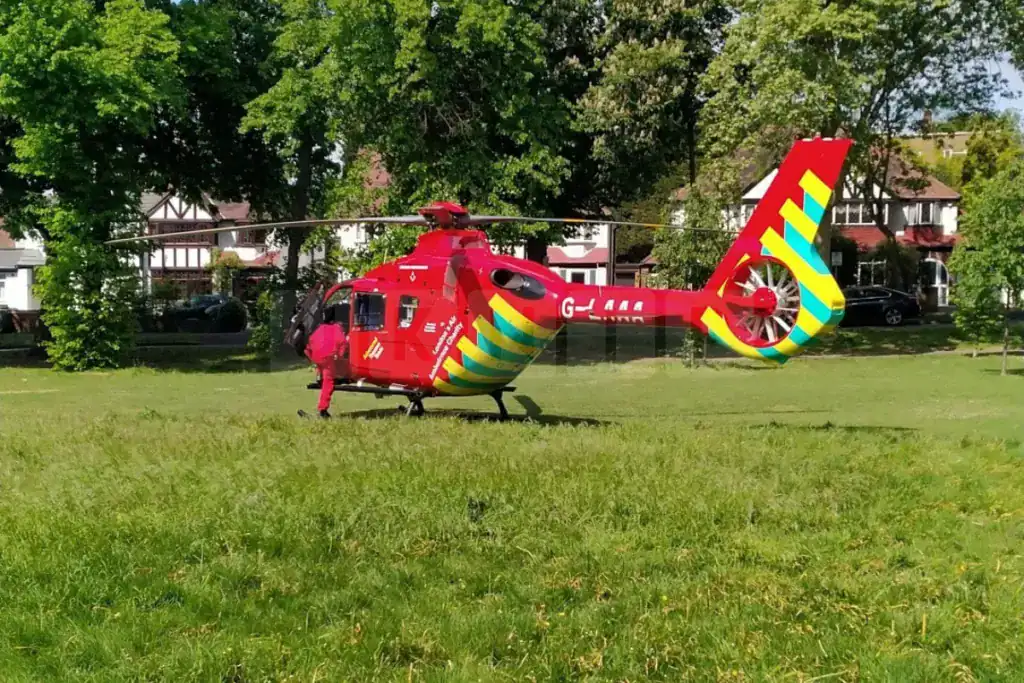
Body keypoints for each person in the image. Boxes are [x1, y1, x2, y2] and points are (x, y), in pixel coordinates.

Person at [303, 306, 348, 418]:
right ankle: (323, 409)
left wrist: (311, 359)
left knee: (323, 371)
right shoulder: (337, 328)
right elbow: (343, 343)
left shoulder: (319, 328)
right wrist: (340, 356)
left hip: (317, 357)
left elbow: (308, 346)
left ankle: (319, 376)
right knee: (329, 382)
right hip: (327, 358)